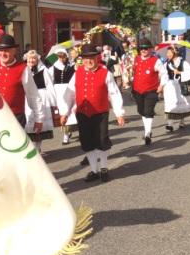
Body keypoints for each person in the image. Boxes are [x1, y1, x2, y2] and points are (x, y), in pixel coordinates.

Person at [59, 43, 125, 182]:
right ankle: (94, 170)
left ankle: (104, 168)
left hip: (100, 113)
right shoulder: (77, 74)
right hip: (83, 113)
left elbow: (114, 93)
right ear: (82, 59)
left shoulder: (105, 73)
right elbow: (69, 94)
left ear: (97, 58)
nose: (88, 61)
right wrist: (64, 113)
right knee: (87, 142)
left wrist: (119, 113)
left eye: (92, 58)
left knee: (101, 141)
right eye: (85, 58)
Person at [0, 34, 44, 131]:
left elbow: (33, 94)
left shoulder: (23, 69)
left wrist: (39, 118)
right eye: (1, 50)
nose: (3, 54)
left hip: (15, 118)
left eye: (7, 50)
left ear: (14, 51)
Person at [132, 38, 168, 145]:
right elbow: (134, 72)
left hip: (151, 90)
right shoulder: (136, 59)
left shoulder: (155, 60)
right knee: (141, 111)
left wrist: (161, 85)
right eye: (142, 48)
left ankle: (147, 133)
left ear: (150, 49)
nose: (143, 50)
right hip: (137, 90)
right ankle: (148, 130)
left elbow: (164, 74)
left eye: (146, 48)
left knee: (148, 111)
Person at [24, 50, 57, 155]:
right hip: (27, 98)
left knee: (40, 124)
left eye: (34, 58)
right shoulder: (24, 71)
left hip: (41, 97)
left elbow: (49, 86)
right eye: (30, 58)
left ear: (37, 60)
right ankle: (29, 148)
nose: (32, 60)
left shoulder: (43, 70)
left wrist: (53, 102)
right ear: (27, 59)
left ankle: (38, 148)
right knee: (28, 122)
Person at [163, 46, 190, 131]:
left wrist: (179, 72)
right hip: (170, 88)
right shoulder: (166, 64)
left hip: (180, 86)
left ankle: (182, 121)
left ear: (175, 53)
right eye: (167, 53)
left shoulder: (183, 63)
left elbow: (189, 73)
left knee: (182, 104)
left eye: (169, 53)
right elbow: (163, 74)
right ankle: (169, 124)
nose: (167, 55)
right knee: (170, 105)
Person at [49, 48, 78, 144]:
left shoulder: (71, 66)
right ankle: (66, 133)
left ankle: (67, 133)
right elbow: (49, 80)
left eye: (63, 57)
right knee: (62, 113)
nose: (61, 59)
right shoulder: (53, 67)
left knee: (69, 112)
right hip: (58, 91)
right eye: (59, 57)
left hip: (69, 90)